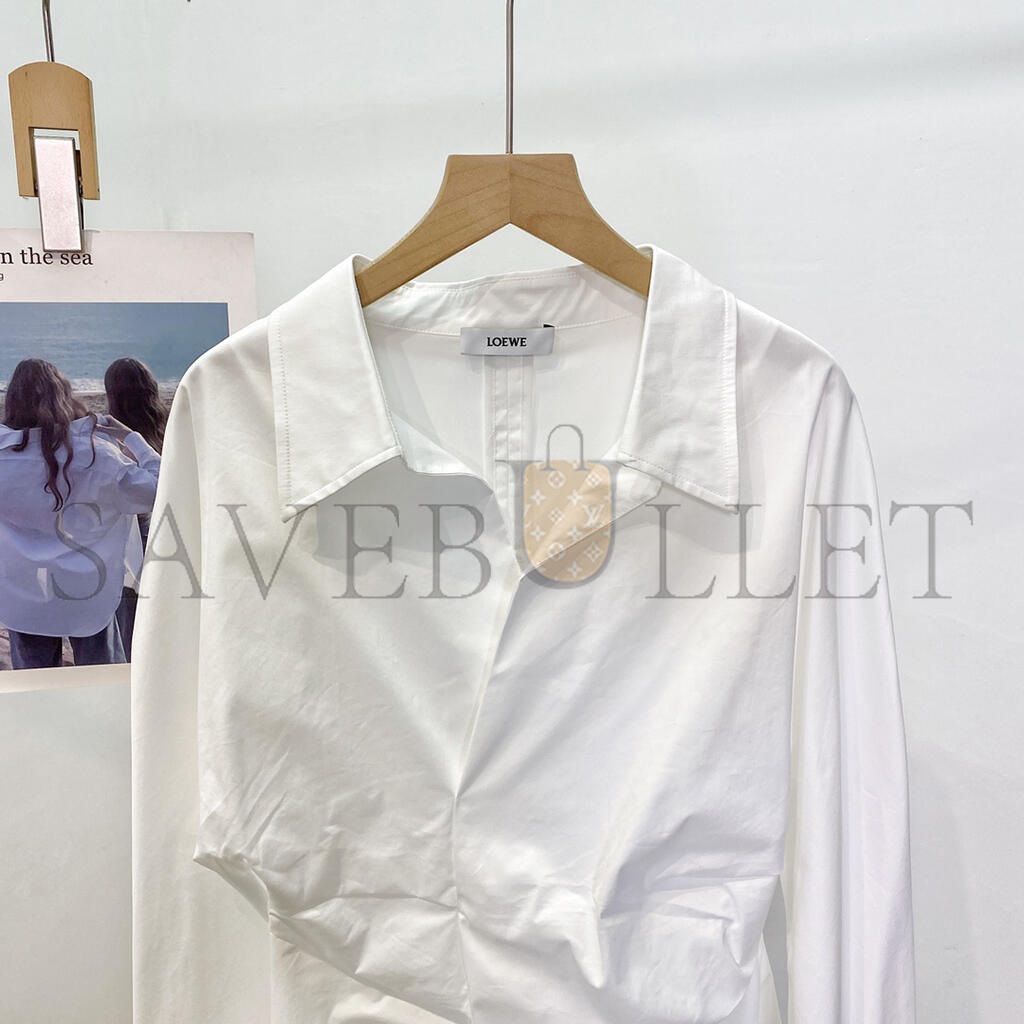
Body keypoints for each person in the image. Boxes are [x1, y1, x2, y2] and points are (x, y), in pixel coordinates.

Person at [0, 358, 161, 670]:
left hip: (25, 589)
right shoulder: (97, 454)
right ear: (65, 396)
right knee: (100, 680)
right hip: (89, 586)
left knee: (35, 685)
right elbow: (159, 488)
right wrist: (132, 439)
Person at [104, 357, 169, 658]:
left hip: (130, 533)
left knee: (128, 621)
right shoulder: (165, 428)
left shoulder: (111, 436)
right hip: (165, 529)